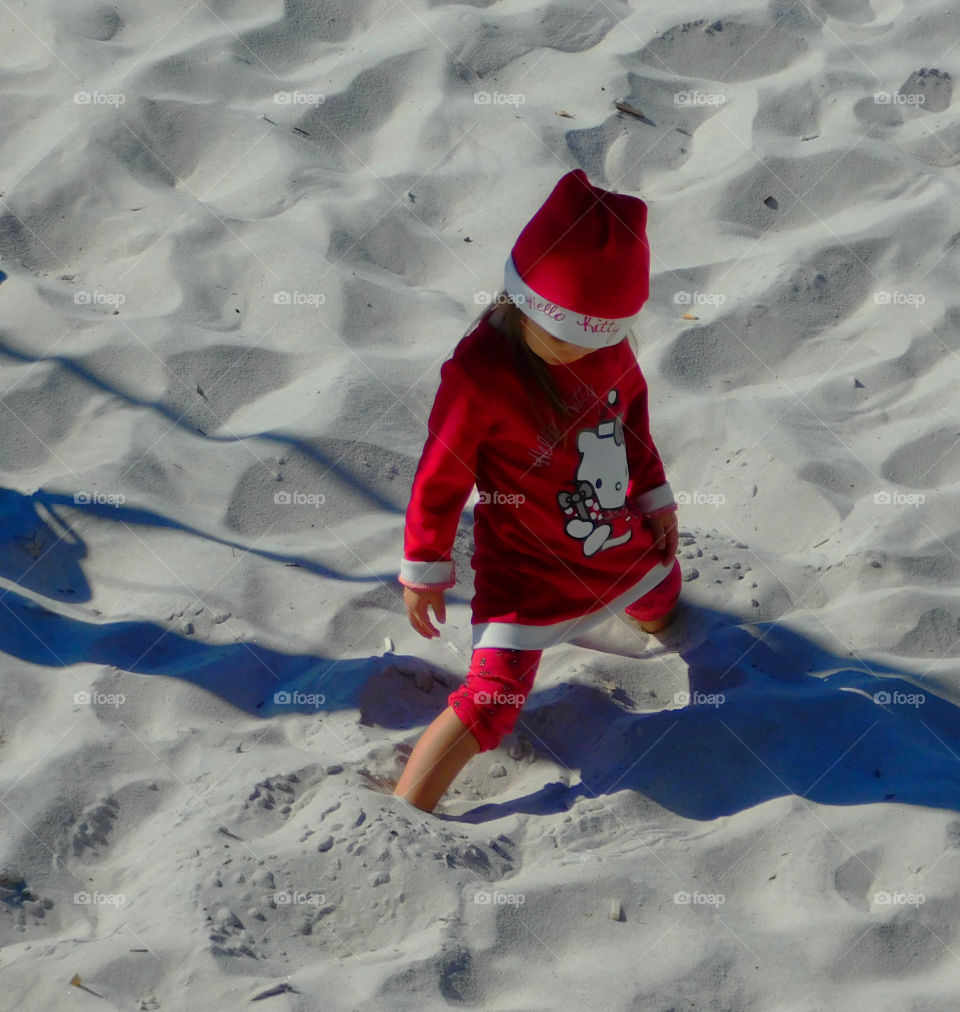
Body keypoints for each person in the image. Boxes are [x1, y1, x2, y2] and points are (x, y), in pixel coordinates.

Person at [392, 169, 681, 813]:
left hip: (613, 536)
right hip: (526, 570)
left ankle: (667, 625)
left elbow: (632, 424)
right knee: (491, 701)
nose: (584, 355)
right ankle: (407, 807)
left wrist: (657, 498)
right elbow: (441, 474)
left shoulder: (606, 351)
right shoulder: (479, 374)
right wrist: (425, 567)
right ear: (523, 302)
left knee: (662, 587)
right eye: (568, 339)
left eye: (599, 340)